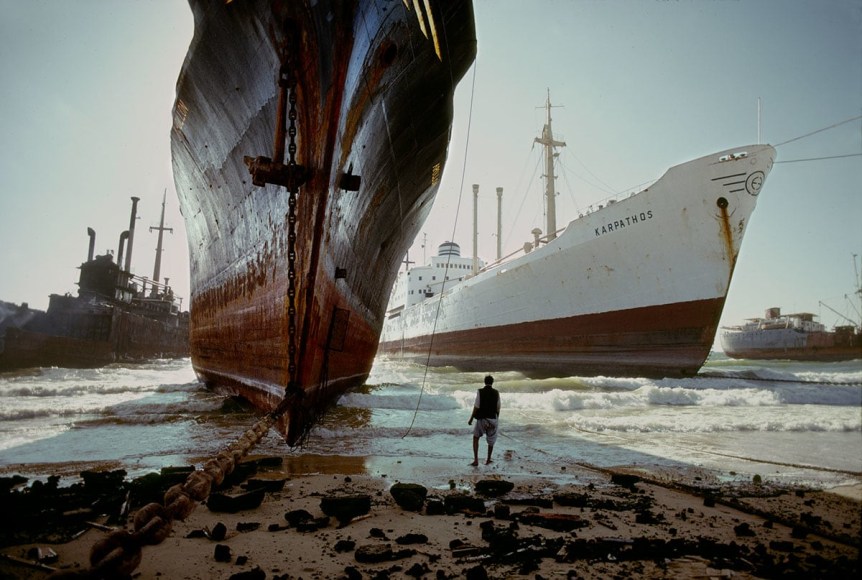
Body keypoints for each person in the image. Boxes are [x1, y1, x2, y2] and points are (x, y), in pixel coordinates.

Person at [468, 375, 500, 466]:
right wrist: (496, 421)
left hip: (482, 419)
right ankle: (488, 459)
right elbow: (498, 409)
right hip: (493, 419)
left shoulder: (480, 391)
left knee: (476, 438)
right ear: (492, 382)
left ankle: (476, 460)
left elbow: (476, 406)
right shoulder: (496, 393)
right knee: (491, 440)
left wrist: (471, 419)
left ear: (484, 382)